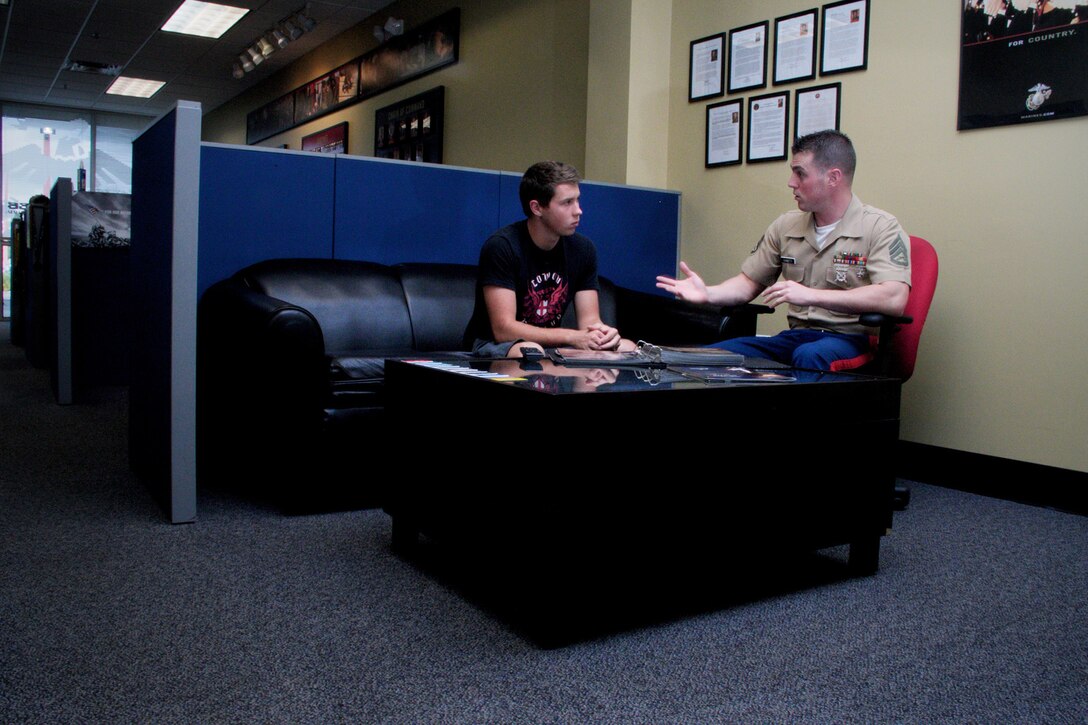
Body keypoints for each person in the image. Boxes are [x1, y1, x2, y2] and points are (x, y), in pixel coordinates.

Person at [655, 130, 911, 371]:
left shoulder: (880, 227)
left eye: (800, 174)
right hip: (796, 338)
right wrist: (708, 293)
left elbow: (894, 298)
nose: (791, 183)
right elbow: (748, 284)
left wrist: (811, 296)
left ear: (833, 178)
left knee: (809, 356)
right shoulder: (786, 225)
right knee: (713, 356)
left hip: (851, 339)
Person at [464, 160, 635, 357]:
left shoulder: (583, 249)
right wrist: (572, 336)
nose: (578, 210)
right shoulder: (502, 246)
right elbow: (504, 329)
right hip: (494, 345)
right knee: (529, 351)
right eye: (567, 202)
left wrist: (603, 335)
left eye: (577, 200)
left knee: (627, 347)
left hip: (549, 346)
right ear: (537, 208)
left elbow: (590, 322)